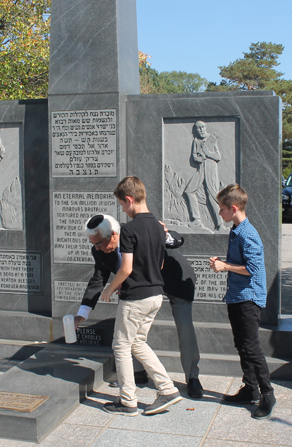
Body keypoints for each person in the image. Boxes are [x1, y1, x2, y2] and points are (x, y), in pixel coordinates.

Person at [76, 215, 203, 398]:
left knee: (184, 328)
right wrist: (82, 313)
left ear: (112, 235)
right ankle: (138, 373)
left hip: (175, 280)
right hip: (141, 288)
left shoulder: (137, 230)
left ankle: (192, 378)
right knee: (132, 330)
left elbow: (177, 239)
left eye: (100, 244)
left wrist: (164, 234)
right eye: (94, 244)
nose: (98, 248)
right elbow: (97, 279)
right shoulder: (100, 250)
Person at [99, 176, 182, 416]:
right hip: (156, 294)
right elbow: (160, 263)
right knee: (138, 343)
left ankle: (127, 401)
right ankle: (168, 390)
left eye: (123, 205)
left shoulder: (129, 229)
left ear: (129, 199)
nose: (123, 210)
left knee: (121, 346)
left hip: (135, 297)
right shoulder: (158, 226)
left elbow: (126, 268)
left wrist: (109, 288)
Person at [209, 184, 275, 419]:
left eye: (221, 209)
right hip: (237, 296)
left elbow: (254, 269)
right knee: (241, 344)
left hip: (249, 298)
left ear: (233, 208)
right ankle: (250, 388)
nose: (219, 213)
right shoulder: (236, 230)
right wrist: (224, 261)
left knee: (252, 348)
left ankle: (268, 395)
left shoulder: (248, 234)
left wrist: (225, 266)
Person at [184, 120, 225, 231]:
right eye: (198, 128)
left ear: (205, 127)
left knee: (212, 196)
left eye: (202, 127)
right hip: (201, 167)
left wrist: (207, 153)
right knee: (189, 191)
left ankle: (220, 225)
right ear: (196, 130)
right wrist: (200, 158)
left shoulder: (211, 139)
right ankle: (196, 220)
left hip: (211, 167)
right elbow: (194, 156)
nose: (201, 130)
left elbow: (218, 157)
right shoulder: (196, 141)